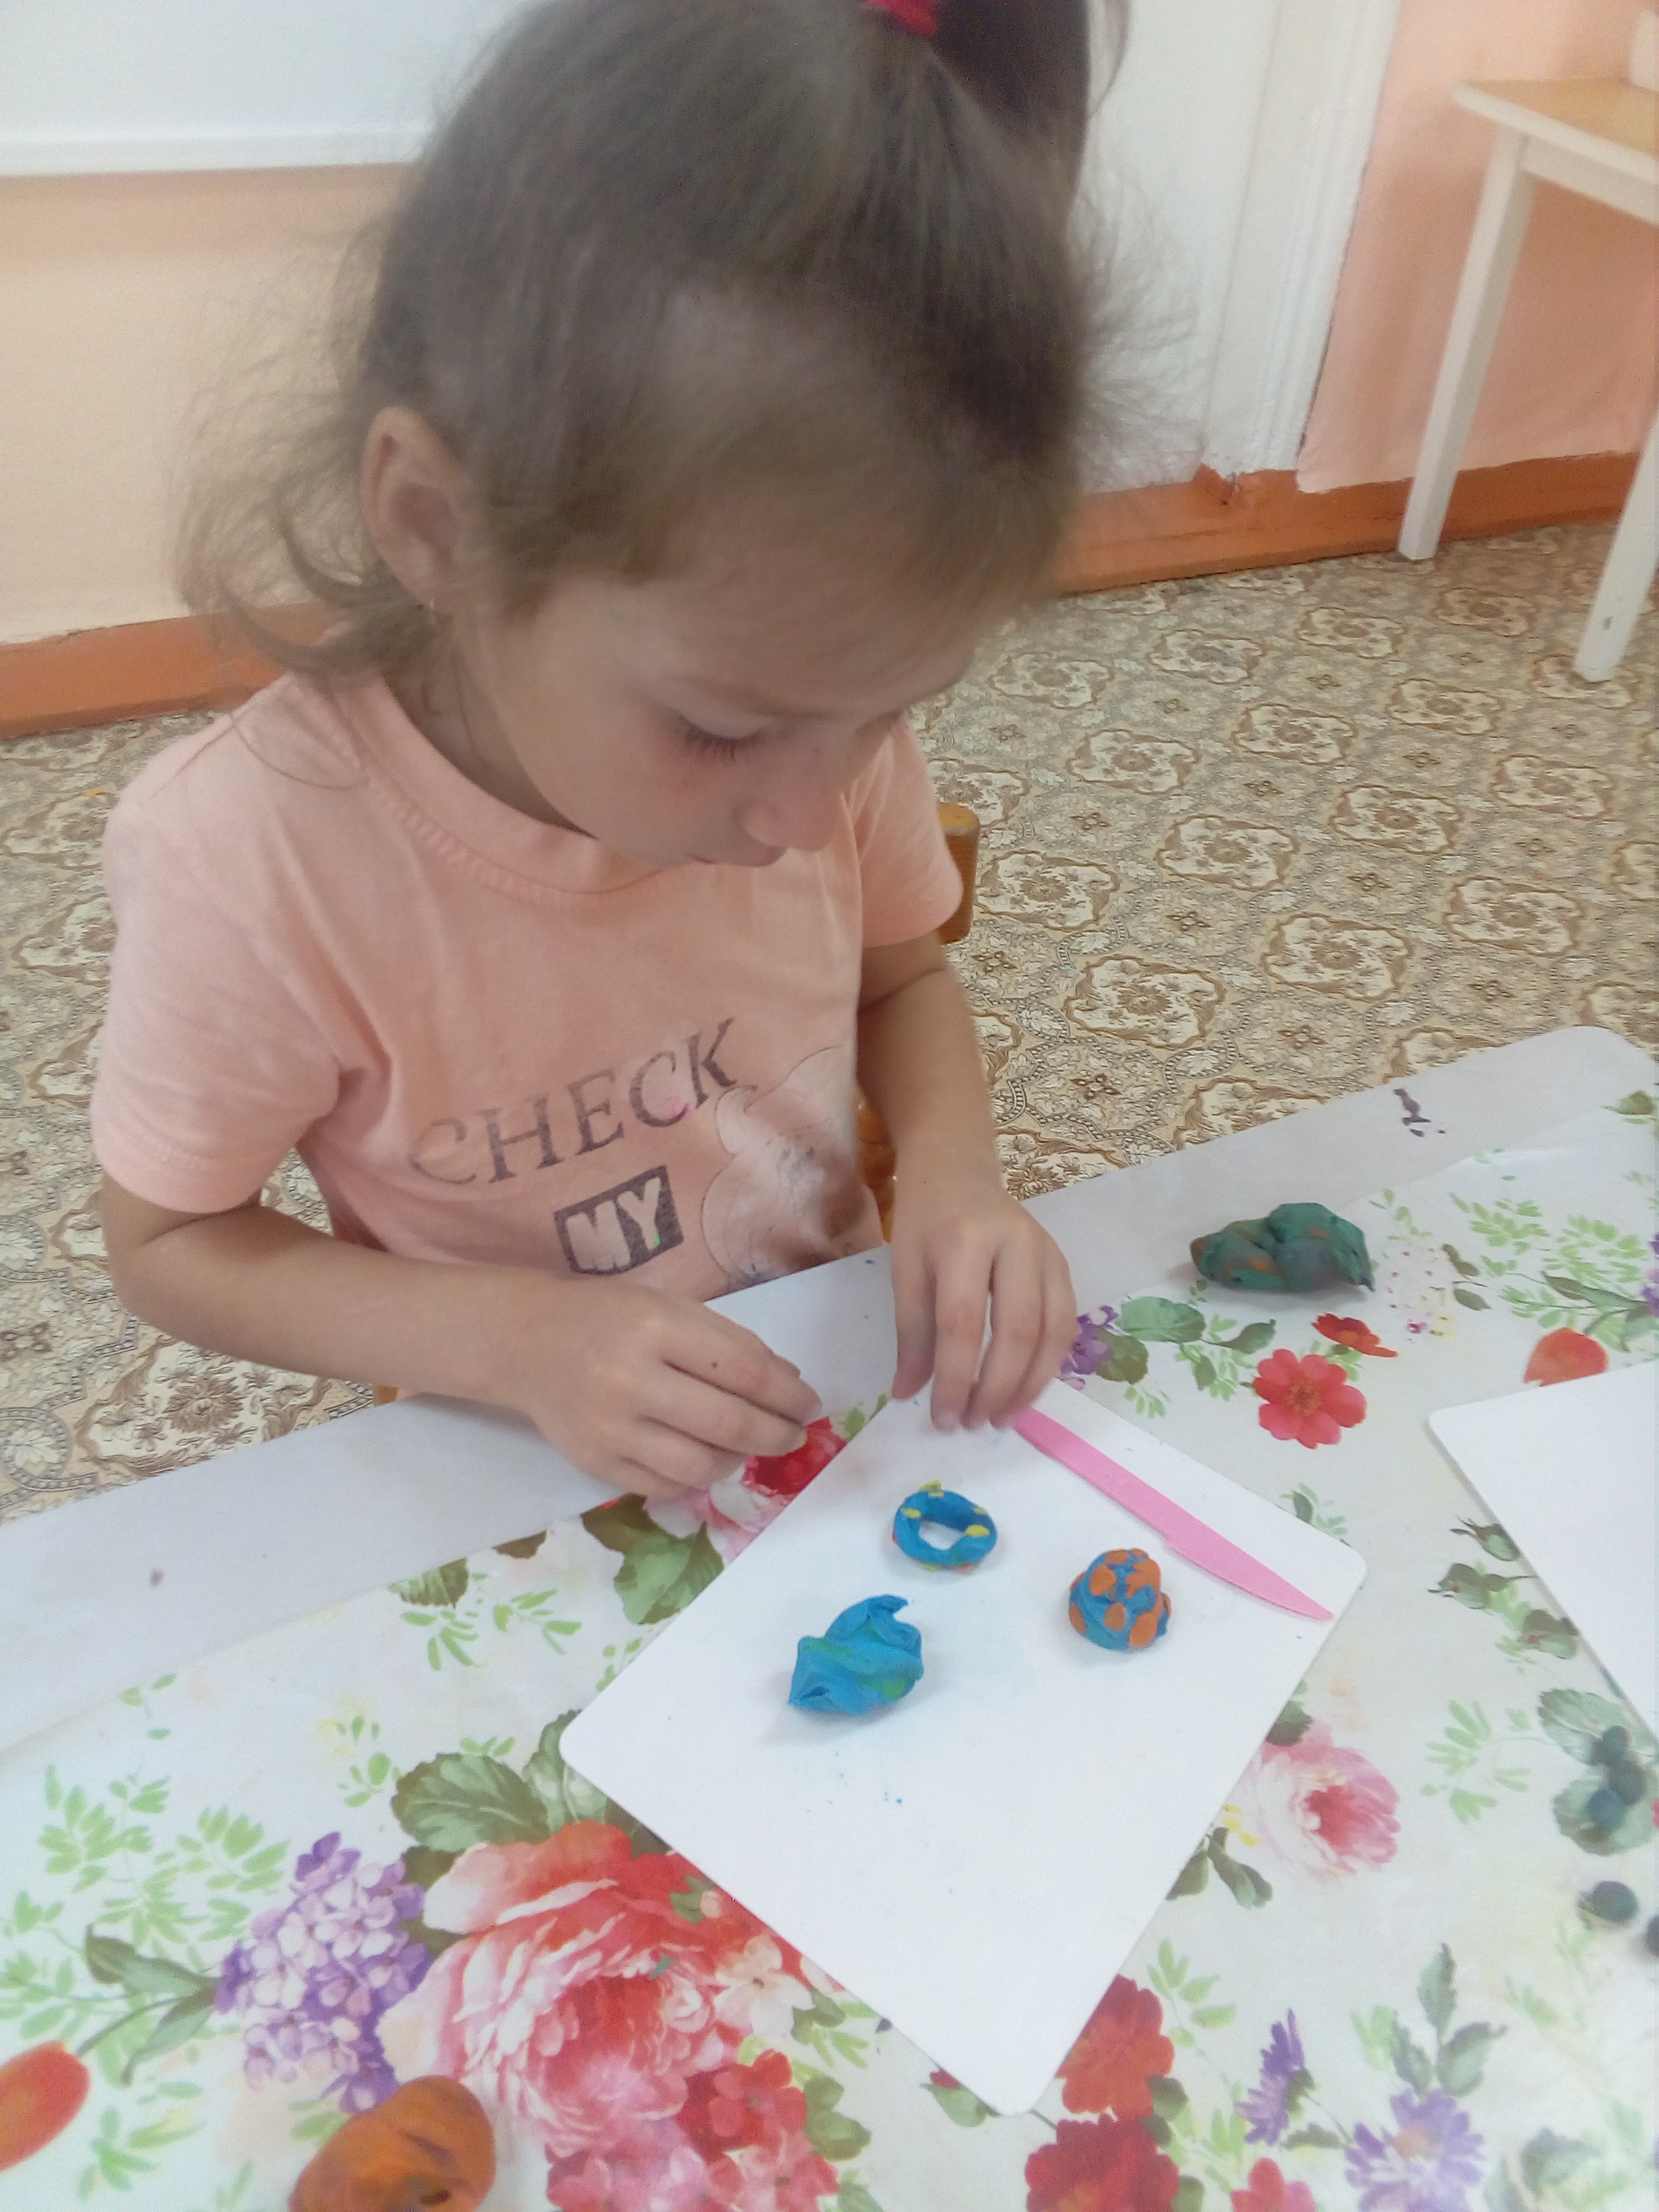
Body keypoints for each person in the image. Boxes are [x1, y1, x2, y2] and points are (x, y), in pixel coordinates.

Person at [94, 0, 1115, 1499]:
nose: (806, 812)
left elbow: (903, 978)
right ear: (438, 528)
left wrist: (960, 1177)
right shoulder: (249, 860)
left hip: (816, 1392)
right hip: (517, 1449)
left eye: (893, 709)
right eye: (721, 728)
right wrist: (520, 1342)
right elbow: (172, 1240)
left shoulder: (815, 724)